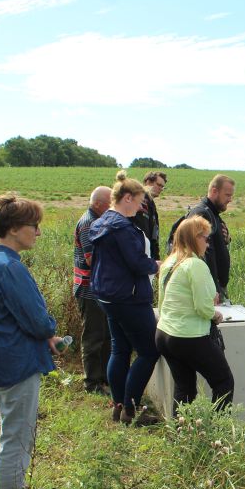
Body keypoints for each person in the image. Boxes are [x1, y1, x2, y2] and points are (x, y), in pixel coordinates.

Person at [0, 193, 60, 489]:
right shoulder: (9, 268)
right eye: (33, 226)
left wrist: (45, 332)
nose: (37, 232)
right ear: (12, 229)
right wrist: (49, 329)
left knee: (14, 432)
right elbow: (36, 319)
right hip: (15, 363)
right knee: (17, 438)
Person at [90, 171, 161, 425]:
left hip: (107, 296)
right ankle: (131, 409)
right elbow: (137, 263)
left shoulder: (101, 223)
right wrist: (157, 265)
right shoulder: (123, 227)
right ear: (127, 198)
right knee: (149, 351)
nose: (142, 207)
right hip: (129, 298)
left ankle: (118, 406)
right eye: (140, 201)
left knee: (119, 350)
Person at [155, 215, 235, 416]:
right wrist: (215, 314)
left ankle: (181, 435)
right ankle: (216, 432)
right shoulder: (195, 265)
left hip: (165, 334)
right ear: (193, 238)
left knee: (185, 388)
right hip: (188, 336)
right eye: (205, 238)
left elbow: (163, 301)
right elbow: (203, 307)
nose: (208, 244)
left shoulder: (170, 262)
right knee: (223, 382)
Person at [73, 186, 113, 395]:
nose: (112, 207)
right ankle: (92, 382)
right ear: (98, 204)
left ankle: (104, 377)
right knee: (93, 337)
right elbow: (91, 259)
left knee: (105, 336)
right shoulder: (89, 224)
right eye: (109, 203)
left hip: (99, 289)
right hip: (89, 290)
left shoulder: (97, 220)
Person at [169, 174, 234, 302]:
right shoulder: (201, 214)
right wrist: (211, 290)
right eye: (227, 195)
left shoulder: (213, 213)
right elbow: (198, 254)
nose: (230, 199)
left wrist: (225, 239)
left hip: (213, 286)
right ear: (214, 191)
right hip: (209, 289)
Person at [132, 170, 166, 262]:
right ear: (148, 182)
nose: (161, 189)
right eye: (159, 185)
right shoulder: (140, 202)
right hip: (139, 257)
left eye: (162, 187)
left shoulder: (151, 204)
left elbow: (154, 234)